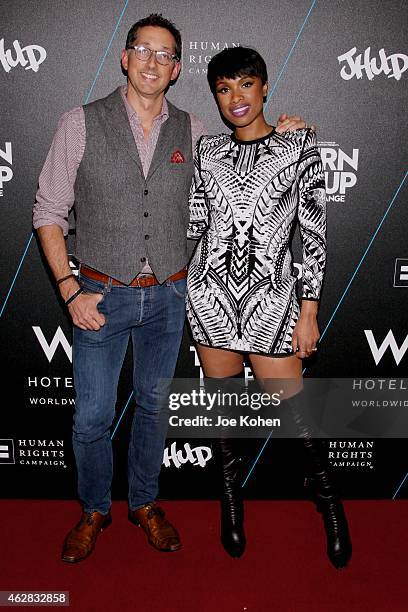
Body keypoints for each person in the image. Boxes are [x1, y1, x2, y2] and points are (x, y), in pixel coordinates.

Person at [33, 15, 309, 563]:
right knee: (91, 416)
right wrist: (69, 288)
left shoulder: (195, 130)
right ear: (125, 57)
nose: (153, 61)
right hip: (99, 295)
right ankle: (93, 510)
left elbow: (243, 156)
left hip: (170, 296)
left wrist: (281, 140)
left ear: (177, 68)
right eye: (143, 50)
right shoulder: (80, 122)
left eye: (165, 55)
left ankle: (144, 504)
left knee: (155, 409)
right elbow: (48, 210)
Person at [186, 46, 352, 568]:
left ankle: (328, 503)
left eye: (245, 85)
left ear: (263, 87)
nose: (236, 98)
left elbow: (314, 236)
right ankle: (231, 500)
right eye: (224, 89)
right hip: (210, 296)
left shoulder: (300, 144)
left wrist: (309, 310)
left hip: (273, 303)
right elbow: (194, 224)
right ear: (216, 97)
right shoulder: (206, 150)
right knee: (223, 413)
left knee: (297, 417)